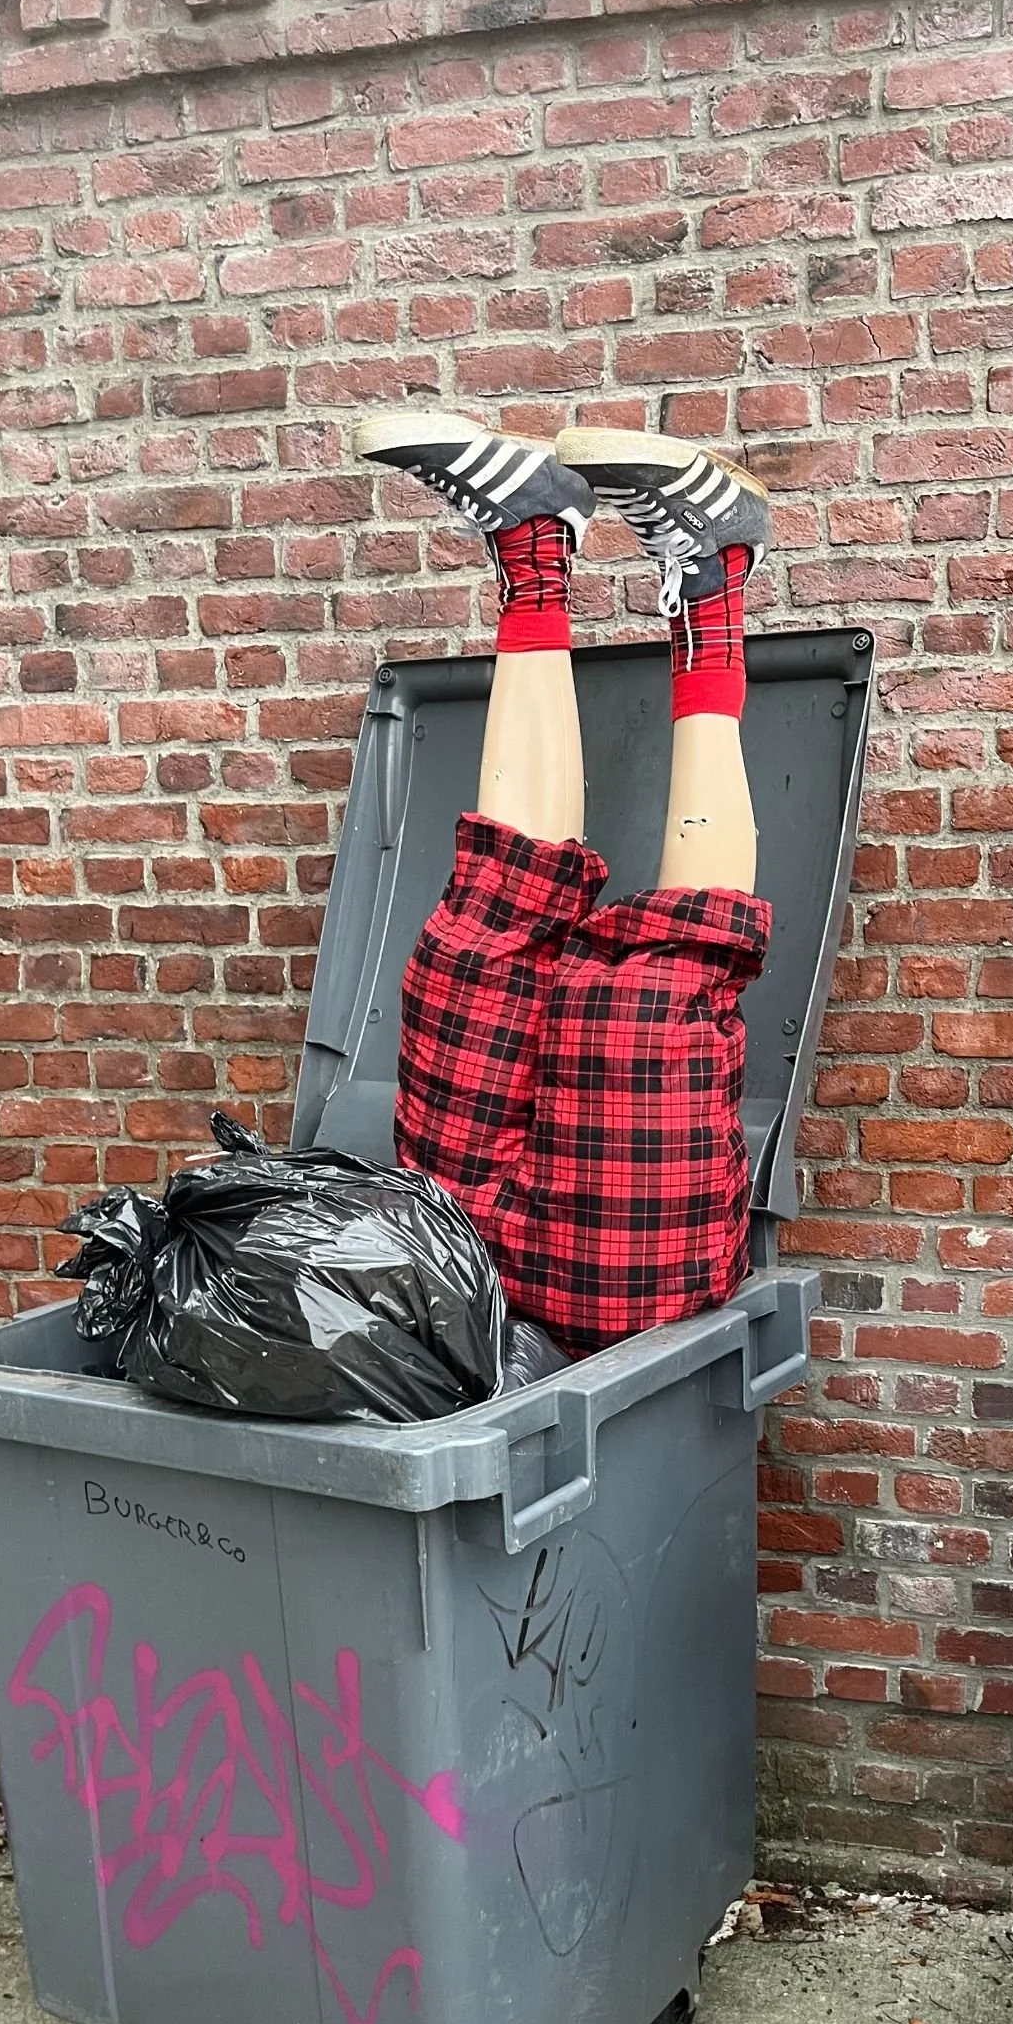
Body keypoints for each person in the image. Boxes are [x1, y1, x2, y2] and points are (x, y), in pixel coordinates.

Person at [351, 412, 772, 1358]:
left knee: (475, 941)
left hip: (462, 1273)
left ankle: (535, 546)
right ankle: (714, 585)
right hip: (600, 1298)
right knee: (650, 993)